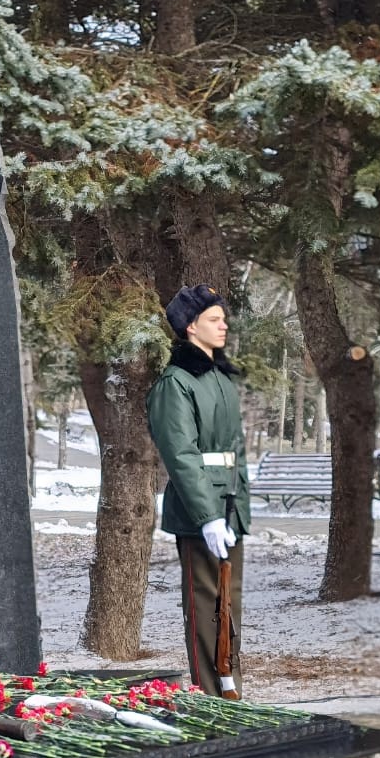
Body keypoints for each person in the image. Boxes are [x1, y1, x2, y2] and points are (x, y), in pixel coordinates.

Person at [146, 283, 249, 697]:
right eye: (214, 319)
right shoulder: (176, 382)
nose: (223, 326)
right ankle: (211, 693)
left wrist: (236, 508)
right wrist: (207, 516)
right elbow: (181, 454)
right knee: (205, 605)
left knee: (229, 604)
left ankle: (232, 690)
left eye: (223, 318)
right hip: (200, 509)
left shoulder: (219, 379)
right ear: (191, 327)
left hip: (230, 504)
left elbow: (235, 449)